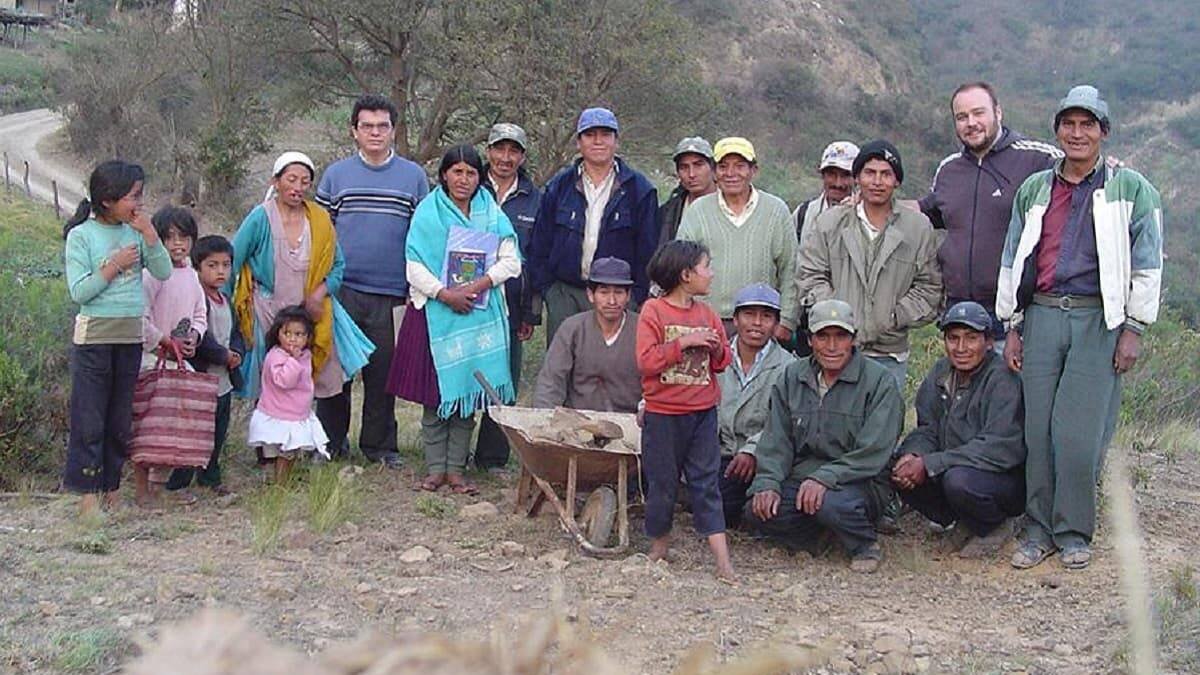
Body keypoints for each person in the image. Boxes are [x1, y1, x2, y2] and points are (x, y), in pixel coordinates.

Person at [997, 85, 1164, 571]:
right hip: (1043, 313)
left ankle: (1073, 531)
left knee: (1078, 435)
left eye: (1087, 124)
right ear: (1058, 131)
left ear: (1103, 132)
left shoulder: (1130, 188)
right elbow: (1014, 259)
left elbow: (1149, 265)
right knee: (1038, 429)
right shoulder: (1035, 189)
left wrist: (1133, 328)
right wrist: (1012, 323)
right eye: (1068, 124)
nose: (1077, 133)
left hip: (1099, 318)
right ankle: (1036, 529)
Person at [386, 144, 521, 495]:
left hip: (478, 315)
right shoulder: (427, 213)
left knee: (467, 394)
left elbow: (511, 261)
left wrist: (476, 286)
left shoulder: (490, 213)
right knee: (436, 397)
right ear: (444, 174)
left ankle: (457, 471)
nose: (464, 179)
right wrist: (446, 294)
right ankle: (435, 470)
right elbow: (413, 266)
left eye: (471, 172)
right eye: (457, 171)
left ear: (480, 177)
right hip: (435, 314)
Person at [743, 300, 903, 573]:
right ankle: (818, 538)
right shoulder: (791, 377)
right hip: (804, 476)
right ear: (810, 340)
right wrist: (768, 481)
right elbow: (776, 438)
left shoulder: (880, 382)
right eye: (823, 336)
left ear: (853, 339)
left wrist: (826, 477)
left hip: (860, 480)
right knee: (755, 510)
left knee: (831, 505)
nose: (831, 346)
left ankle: (864, 544)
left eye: (840, 336)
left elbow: (874, 451)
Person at [314, 95, 429, 469]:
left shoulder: (413, 176)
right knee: (336, 371)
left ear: (393, 131)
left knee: (383, 373)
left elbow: (423, 233)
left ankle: (380, 447)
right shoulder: (335, 175)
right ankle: (330, 443)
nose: (375, 133)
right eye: (367, 126)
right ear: (354, 131)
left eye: (382, 126)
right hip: (343, 291)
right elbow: (321, 231)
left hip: (393, 291)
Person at [62, 160, 172, 516]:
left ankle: (111, 489)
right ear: (108, 199)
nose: (138, 204)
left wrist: (151, 237)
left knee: (119, 419)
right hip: (94, 339)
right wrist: (115, 266)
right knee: (90, 419)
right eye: (132, 197)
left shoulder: (136, 232)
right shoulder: (82, 235)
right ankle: (87, 495)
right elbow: (80, 291)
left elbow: (163, 271)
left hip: (129, 338)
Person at [228, 151, 375, 413]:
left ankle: (299, 443)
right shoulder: (260, 217)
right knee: (270, 379)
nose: (297, 188)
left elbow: (337, 265)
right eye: (291, 179)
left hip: (309, 313)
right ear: (276, 181)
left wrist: (319, 294)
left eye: (304, 182)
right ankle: (267, 448)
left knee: (305, 378)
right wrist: (222, 310)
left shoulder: (319, 220)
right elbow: (232, 260)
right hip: (267, 314)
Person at [917, 82, 1062, 341]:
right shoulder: (948, 169)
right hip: (958, 311)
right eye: (962, 117)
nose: (971, 122)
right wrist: (865, 202)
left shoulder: (1037, 159)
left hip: (1013, 314)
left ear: (998, 112)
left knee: (1009, 382)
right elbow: (927, 211)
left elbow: (1081, 175)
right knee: (962, 383)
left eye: (978, 113)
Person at [795, 139, 942, 391]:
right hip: (834, 353)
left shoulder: (918, 228)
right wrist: (837, 320)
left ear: (897, 181)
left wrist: (893, 316)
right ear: (857, 178)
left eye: (886, 174)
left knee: (884, 425)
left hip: (890, 354)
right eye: (869, 173)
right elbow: (810, 277)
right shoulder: (829, 224)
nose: (877, 181)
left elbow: (929, 287)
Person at [891, 301, 1026, 558]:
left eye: (971, 338)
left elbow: (998, 448)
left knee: (958, 481)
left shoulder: (1002, 379)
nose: (961, 348)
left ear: (988, 342)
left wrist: (932, 463)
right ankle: (960, 523)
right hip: (952, 466)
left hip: (1000, 479)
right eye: (953, 338)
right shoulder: (941, 372)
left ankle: (996, 525)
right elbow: (927, 427)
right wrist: (914, 455)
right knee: (896, 467)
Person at [636, 240, 734, 579]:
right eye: (706, 267)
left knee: (706, 482)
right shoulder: (653, 311)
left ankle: (723, 561)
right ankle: (659, 547)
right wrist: (684, 343)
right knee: (662, 483)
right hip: (664, 414)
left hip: (703, 413)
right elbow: (646, 362)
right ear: (686, 274)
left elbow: (721, 363)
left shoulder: (707, 314)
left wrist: (718, 347)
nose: (712, 274)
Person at [530, 107, 659, 344]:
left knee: (615, 368)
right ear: (579, 142)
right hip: (566, 293)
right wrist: (549, 290)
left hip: (617, 296)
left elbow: (648, 250)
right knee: (565, 366)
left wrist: (636, 296)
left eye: (605, 134)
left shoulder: (639, 190)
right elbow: (540, 242)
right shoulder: (559, 187)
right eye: (590, 135)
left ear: (616, 141)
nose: (598, 141)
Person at [677, 137, 797, 341]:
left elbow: (791, 270)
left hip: (759, 323)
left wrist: (786, 321)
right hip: (706, 321)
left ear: (753, 170)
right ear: (715, 172)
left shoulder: (776, 210)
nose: (731, 174)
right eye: (723, 167)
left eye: (740, 166)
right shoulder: (698, 211)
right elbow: (680, 268)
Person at [474, 123, 543, 472]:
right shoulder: (469, 185)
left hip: (511, 306)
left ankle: (493, 457)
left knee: (504, 379)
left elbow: (537, 259)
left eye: (513, 151)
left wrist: (531, 314)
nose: (505, 157)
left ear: (523, 156)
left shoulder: (535, 198)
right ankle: (454, 453)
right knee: (465, 372)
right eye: (499, 149)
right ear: (488, 151)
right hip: (468, 303)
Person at [133, 205, 208, 506]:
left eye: (184, 237)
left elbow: (200, 314)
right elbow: (139, 317)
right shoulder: (151, 274)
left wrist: (194, 337)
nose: (178, 244)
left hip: (178, 362)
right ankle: (141, 489)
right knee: (148, 424)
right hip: (150, 359)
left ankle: (159, 486)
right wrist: (160, 340)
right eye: (170, 237)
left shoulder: (191, 274)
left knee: (173, 425)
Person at [166, 235, 245, 497]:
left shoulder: (226, 300)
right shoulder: (198, 299)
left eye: (225, 265)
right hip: (201, 379)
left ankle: (210, 476)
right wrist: (223, 355)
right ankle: (179, 481)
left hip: (222, 382)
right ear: (197, 268)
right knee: (193, 431)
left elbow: (236, 333)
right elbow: (201, 338)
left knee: (217, 432)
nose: (220, 271)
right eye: (212, 265)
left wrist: (237, 354)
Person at [717, 283, 794, 528]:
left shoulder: (789, 367)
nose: (757, 323)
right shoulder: (715, 357)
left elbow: (785, 422)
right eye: (749, 314)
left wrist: (752, 450)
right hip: (720, 453)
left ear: (776, 323)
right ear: (736, 319)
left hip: (765, 459)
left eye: (767, 316)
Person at [533, 257, 641, 413]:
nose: (612, 300)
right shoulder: (572, 328)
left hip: (630, 421)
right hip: (578, 421)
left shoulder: (642, 329)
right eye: (604, 292)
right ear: (591, 295)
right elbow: (551, 381)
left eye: (618, 292)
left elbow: (656, 384)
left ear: (628, 295)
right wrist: (544, 420)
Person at [248, 306, 330, 484]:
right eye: (288, 333)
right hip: (275, 414)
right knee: (274, 453)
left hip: (295, 414)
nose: (293, 339)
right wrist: (293, 361)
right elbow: (285, 381)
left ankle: (281, 483)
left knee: (289, 452)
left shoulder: (305, 355)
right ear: (278, 334)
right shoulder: (276, 356)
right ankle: (276, 483)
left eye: (299, 334)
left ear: (308, 337)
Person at [793, 141, 859, 242]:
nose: (838, 184)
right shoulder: (803, 214)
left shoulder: (868, 216)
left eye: (845, 175)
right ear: (822, 175)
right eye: (831, 174)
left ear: (857, 179)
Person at [657, 136, 717, 246]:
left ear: (713, 167)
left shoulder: (731, 205)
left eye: (698, 165)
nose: (691, 174)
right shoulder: (667, 212)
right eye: (684, 167)